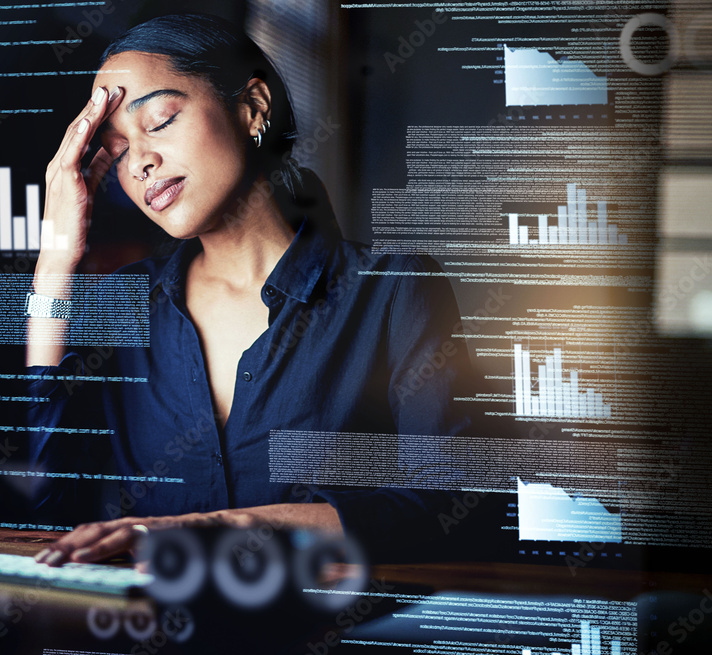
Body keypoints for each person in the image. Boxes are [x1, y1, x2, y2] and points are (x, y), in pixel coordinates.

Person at [26, 13, 476, 567]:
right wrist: (54, 260)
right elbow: (48, 500)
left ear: (252, 108)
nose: (140, 162)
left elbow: (451, 509)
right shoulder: (124, 303)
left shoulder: (394, 292)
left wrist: (223, 528)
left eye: (160, 120)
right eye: (117, 152)